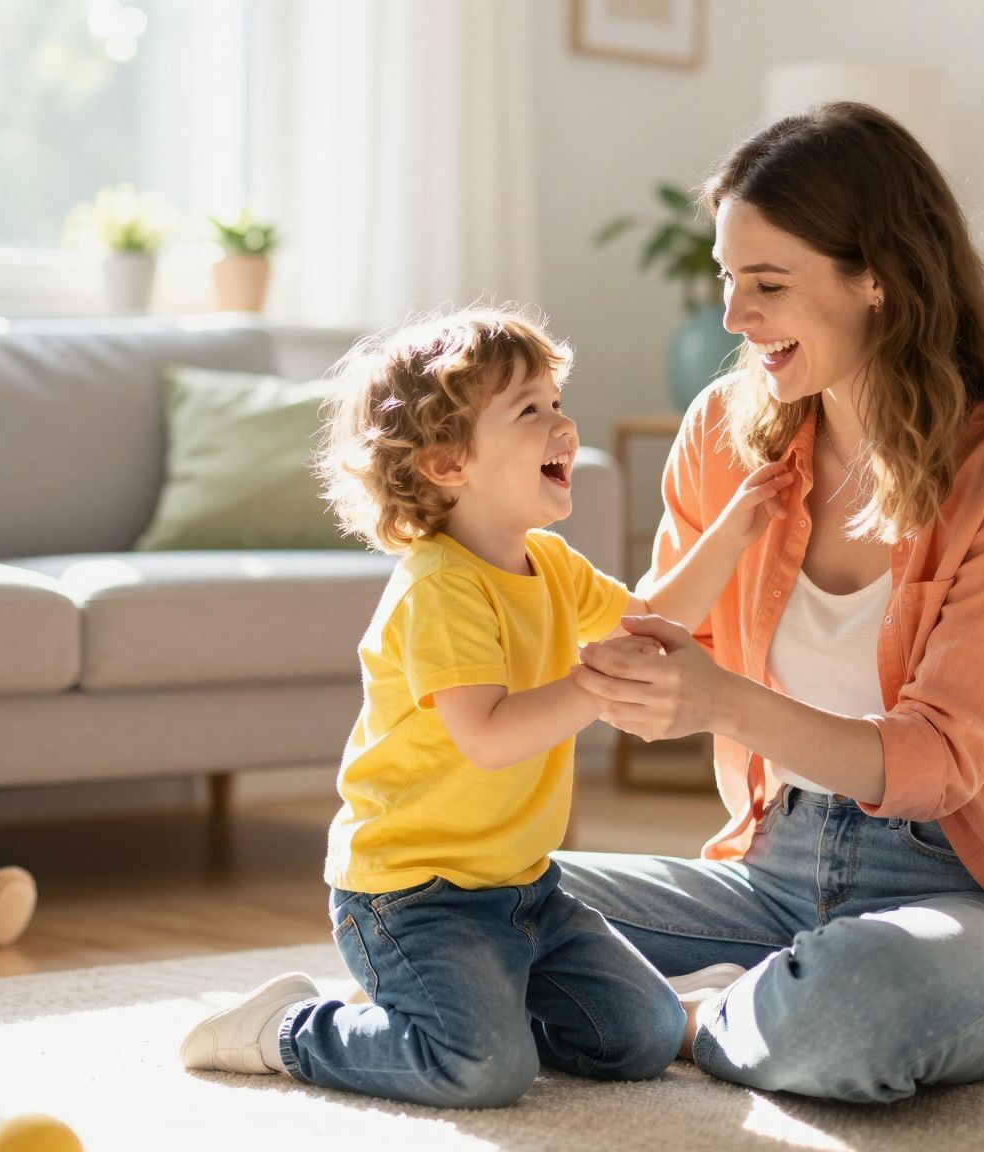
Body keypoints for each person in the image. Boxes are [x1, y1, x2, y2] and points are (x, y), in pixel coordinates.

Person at [560, 102, 984, 1104]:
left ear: (878, 278)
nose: (735, 317)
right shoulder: (722, 433)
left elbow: (940, 763)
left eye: (768, 284)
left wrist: (720, 700)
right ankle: (752, 1001)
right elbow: (650, 642)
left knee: (858, 1003)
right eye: (727, 279)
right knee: (461, 893)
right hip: (773, 872)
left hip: (969, 899)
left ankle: (677, 1017)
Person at [176, 306, 795, 1109]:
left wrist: (733, 533)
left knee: (641, 1039)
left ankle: (451, 1010)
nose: (562, 425)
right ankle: (289, 1027)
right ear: (446, 463)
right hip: (411, 898)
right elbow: (490, 738)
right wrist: (593, 684)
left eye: (556, 401)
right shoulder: (439, 589)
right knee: (481, 1071)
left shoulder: (550, 563)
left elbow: (648, 621)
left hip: (524, 886)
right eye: (529, 410)